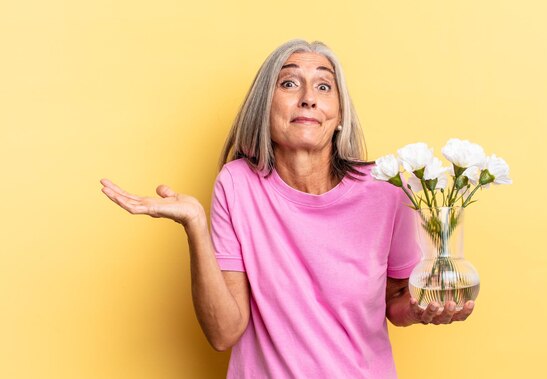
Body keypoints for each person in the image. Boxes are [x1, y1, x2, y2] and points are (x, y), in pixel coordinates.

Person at [100, 39, 474, 378]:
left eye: (324, 86)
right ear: (266, 106)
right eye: (290, 83)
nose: (308, 97)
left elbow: (397, 303)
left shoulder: (387, 188)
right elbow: (223, 333)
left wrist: (425, 308)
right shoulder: (237, 184)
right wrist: (195, 226)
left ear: (339, 114)